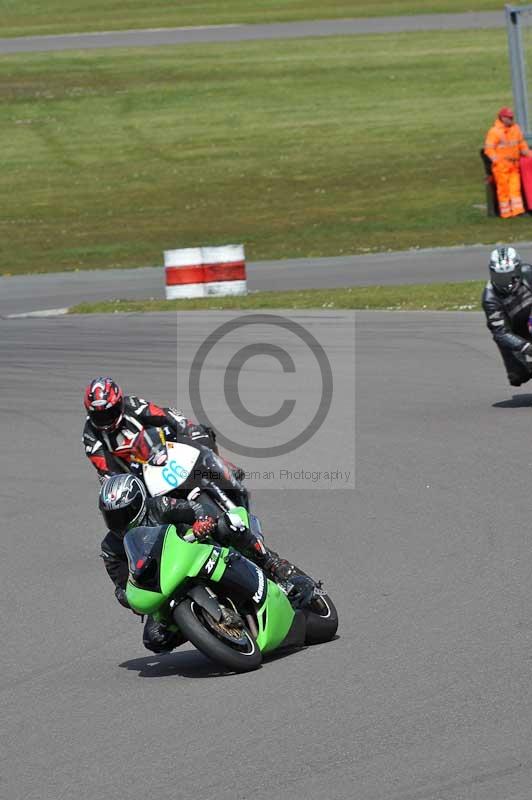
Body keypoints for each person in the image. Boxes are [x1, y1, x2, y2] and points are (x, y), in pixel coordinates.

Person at [98, 473, 296, 653]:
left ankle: (271, 562)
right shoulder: (110, 547)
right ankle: (205, 627)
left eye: (123, 514)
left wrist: (202, 521)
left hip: (195, 549)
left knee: (230, 525)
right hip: (164, 582)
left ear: (139, 503)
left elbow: (195, 508)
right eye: (111, 517)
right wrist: (129, 598)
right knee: (154, 639)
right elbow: (122, 585)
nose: (118, 521)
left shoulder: (159, 506)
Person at [82, 377, 216, 481]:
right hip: (139, 477)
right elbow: (107, 470)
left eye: (110, 413)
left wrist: (189, 428)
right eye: (98, 416)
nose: (105, 420)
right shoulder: (91, 436)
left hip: (168, 452)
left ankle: (232, 476)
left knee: (205, 441)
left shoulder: (133, 405)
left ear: (120, 404)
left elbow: (164, 415)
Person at [482, 245, 532, 386]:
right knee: (517, 377)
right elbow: (500, 333)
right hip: (514, 333)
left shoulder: (529, 273)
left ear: (518, 270)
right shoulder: (490, 298)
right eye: (500, 277)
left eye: (510, 276)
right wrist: (526, 347)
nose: (506, 283)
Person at [484, 106, 532, 218]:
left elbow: (522, 145)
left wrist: (529, 154)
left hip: (513, 164)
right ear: (502, 117)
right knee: (503, 190)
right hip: (501, 166)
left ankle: (518, 211)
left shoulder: (516, 129)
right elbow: (488, 149)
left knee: (515, 188)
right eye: (509, 117)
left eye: (512, 117)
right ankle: (506, 213)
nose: (511, 119)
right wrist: (497, 161)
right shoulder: (494, 132)